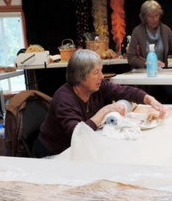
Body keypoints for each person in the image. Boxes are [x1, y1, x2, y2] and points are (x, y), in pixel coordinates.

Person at [34, 49, 164, 157]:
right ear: (80, 76)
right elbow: (79, 134)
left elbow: (124, 91)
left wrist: (148, 99)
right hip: (55, 154)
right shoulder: (64, 99)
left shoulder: (97, 86)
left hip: (77, 149)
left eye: (101, 71)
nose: (102, 76)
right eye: (96, 72)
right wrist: (105, 110)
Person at [127, 0, 172, 69]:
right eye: (151, 16)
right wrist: (146, 64)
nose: (155, 19)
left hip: (161, 73)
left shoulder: (166, 30)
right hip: (143, 74)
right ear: (144, 17)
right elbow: (131, 57)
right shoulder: (137, 31)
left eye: (157, 15)